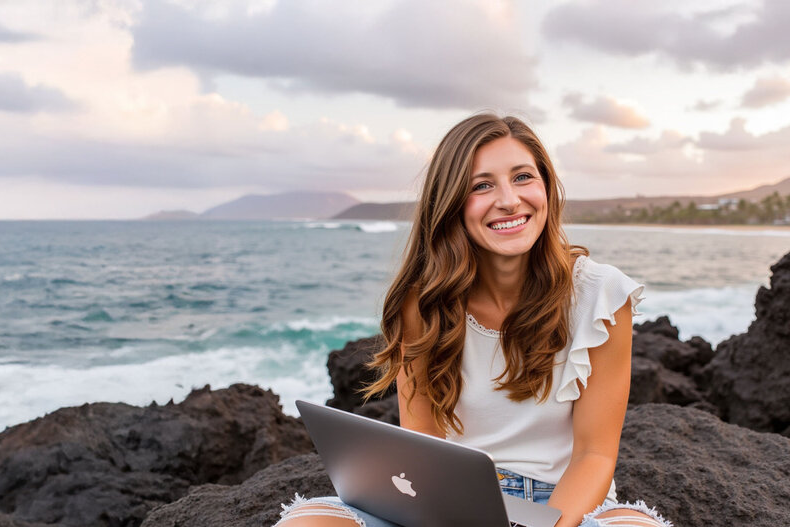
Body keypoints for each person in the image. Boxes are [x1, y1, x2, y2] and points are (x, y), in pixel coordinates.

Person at [274, 114, 673, 527]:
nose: (509, 200)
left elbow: (595, 454)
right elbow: (423, 442)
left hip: (565, 503)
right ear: (451, 204)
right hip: (453, 503)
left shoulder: (601, 295)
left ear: (547, 188)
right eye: (482, 185)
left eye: (522, 177)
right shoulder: (423, 302)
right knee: (305, 522)